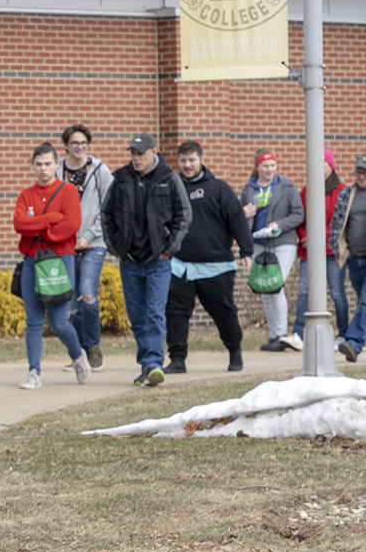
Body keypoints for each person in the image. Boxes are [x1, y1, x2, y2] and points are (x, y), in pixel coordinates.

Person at [103, 132, 192, 387]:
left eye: (140, 153)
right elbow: (106, 214)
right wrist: (116, 249)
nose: (136, 158)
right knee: (138, 317)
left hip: (158, 260)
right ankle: (147, 366)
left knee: (154, 312)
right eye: (132, 153)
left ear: (154, 152)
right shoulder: (120, 179)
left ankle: (153, 363)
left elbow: (184, 215)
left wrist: (170, 248)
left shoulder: (169, 178)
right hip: (129, 260)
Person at [167, 141, 252, 374]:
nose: (187, 165)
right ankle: (177, 359)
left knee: (224, 313)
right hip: (179, 266)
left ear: (201, 160)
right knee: (175, 313)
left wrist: (246, 251)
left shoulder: (219, 188)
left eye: (192, 160)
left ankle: (235, 352)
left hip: (216, 266)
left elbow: (237, 219)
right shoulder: (172, 188)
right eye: (183, 161)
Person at [12, 143, 89, 389]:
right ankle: (34, 372)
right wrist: (50, 221)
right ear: (32, 165)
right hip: (32, 260)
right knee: (33, 321)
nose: (43, 168)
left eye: (47, 164)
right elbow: (20, 224)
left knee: (58, 322)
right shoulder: (26, 194)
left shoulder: (67, 191)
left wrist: (42, 227)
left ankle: (78, 355)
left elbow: (71, 225)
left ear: (57, 164)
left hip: (59, 259)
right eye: (38, 164)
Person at [58, 124, 113, 369]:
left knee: (88, 294)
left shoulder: (99, 170)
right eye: (74, 143)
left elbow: (109, 208)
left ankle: (93, 346)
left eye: (83, 143)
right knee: (71, 301)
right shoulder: (57, 170)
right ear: (66, 145)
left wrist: (88, 237)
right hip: (66, 245)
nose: (79, 147)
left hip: (94, 243)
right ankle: (79, 353)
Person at [241, 150, 304, 351]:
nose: (269, 170)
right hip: (258, 242)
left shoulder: (286, 185)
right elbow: (239, 217)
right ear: (257, 167)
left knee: (275, 284)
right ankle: (274, 336)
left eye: (272, 165)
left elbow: (298, 214)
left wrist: (281, 225)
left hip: (283, 242)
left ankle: (282, 335)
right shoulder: (249, 188)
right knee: (265, 288)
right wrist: (243, 215)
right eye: (265, 166)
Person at [293, 150, 347, 347]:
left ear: (331, 166)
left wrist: (318, 237)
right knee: (305, 290)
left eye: (322, 163)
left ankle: (343, 334)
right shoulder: (307, 191)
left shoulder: (342, 190)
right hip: (310, 251)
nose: (318, 168)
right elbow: (299, 219)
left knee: (337, 293)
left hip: (332, 251)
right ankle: (298, 334)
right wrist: (305, 236)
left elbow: (340, 222)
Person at [336, 155, 366, 361]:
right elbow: (336, 224)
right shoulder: (347, 193)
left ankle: (354, 342)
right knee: (362, 301)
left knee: (365, 301)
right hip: (354, 257)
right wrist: (339, 250)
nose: (361, 176)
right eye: (358, 172)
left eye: (364, 172)